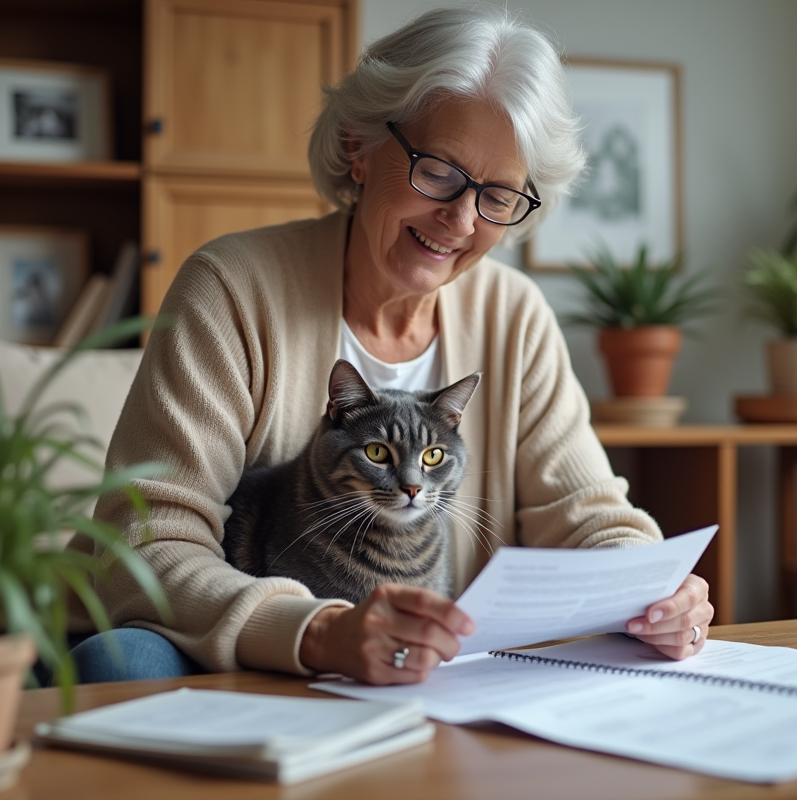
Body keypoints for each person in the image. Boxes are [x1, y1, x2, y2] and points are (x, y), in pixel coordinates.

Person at [74, 5, 713, 686]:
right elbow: (149, 540)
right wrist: (315, 630)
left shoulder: (515, 314)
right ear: (359, 144)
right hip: (238, 644)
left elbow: (586, 514)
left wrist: (657, 587)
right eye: (439, 172)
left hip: (424, 670)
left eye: (498, 196)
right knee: (122, 662)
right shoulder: (231, 286)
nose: (462, 220)